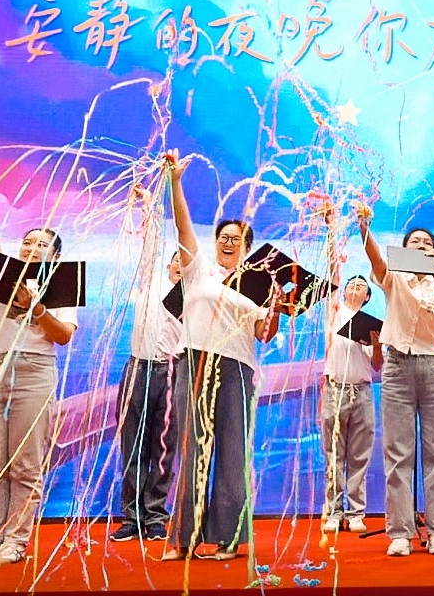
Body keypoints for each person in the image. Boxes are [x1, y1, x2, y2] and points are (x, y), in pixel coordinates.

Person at [0, 146, 79, 567]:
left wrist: (37, 309)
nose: (31, 247)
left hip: (34, 369)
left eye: (41, 244)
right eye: (27, 242)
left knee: (25, 461)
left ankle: (16, 540)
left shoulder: (62, 285)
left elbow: (63, 337)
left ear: (54, 255)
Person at [162, 152, 280, 562]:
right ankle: (184, 539)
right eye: (224, 237)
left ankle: (229, 540)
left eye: (237, 239)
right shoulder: (199, 271)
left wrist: (276, 306)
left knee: (232, 452)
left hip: (237, 368)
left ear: (248, 247)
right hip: (194, 363)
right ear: (215, 243)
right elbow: (182, 225)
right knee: (192, 450)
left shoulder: (257, 285)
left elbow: (264, 334)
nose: (229, 243)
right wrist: (175, 182)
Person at [357, 206, 434, 557]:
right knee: (398, 453)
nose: (421, 245)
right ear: (404, 248)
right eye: (414, 242)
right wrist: (364, 229)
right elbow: (375, 261)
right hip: (398, 367)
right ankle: (400, 531)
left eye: (427, 243)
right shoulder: (394, 277)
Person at [109, 187, 183, 544]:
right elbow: (151, 244)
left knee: (163, 449)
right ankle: (131, 516)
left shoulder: (196, 298)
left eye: (187, 263)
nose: (181, 266)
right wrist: (150, 208)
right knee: (132, 446)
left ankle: (156, 516)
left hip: (172, 373)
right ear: (169, 264)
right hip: (137, 369)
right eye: (177, 260)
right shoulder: (151, 281)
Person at [319, 273, 382, 534]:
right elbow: (332, 276)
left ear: (367, 297)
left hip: (363, 391)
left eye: (362, 286)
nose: (356, 286)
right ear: (343, 291)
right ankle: (334, 511)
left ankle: (356, 512)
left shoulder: (371, 324)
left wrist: (377, 344)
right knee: (333, 454)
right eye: (351, 284)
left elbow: (377, 365)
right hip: (335, 388)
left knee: (359, 456)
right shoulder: (334, 311)